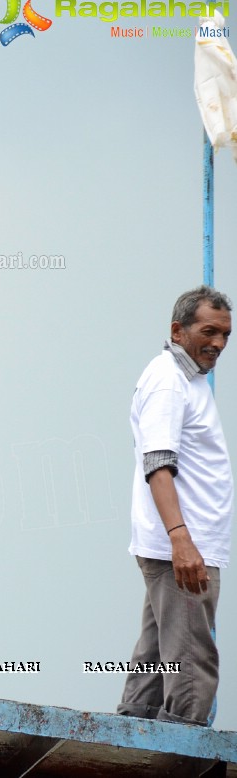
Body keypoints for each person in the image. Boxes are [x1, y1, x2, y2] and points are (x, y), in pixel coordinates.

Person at [118, 285, 233, 726]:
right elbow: (158, 465)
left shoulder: (189, 380)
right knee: (189, 667)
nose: (219, 343)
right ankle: (180, 755)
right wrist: (181, 540)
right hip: (183, 547)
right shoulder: (168, 379)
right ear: (178, 331)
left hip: (180, 547)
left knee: (157, 657)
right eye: (209, 331)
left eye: (226, 335)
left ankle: (129, 737)